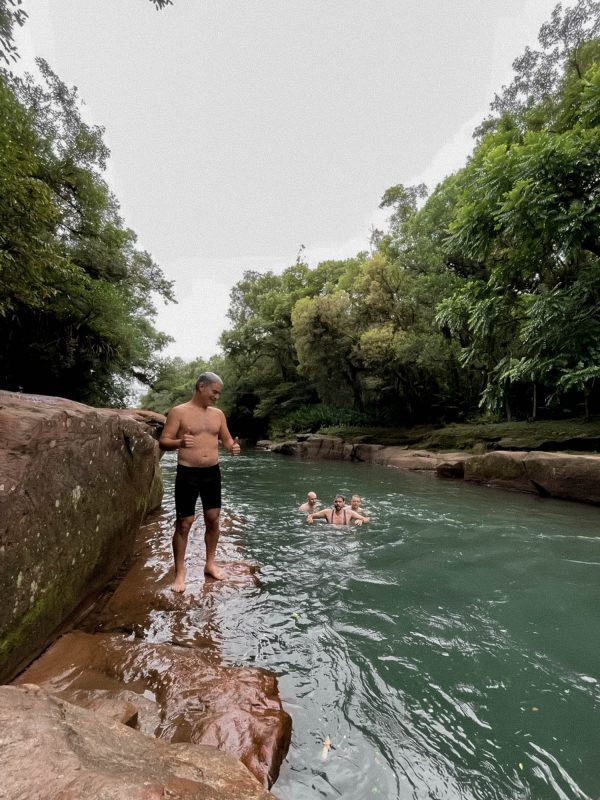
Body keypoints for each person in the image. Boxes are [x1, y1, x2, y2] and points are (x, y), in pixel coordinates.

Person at [159, 371, 240, 592]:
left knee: (213, 519)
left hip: (212, 473)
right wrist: (179, 442)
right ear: (201, 387)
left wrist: (232, 447)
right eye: (214, 392)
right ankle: (180, 573)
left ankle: (210, 564)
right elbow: (163, 442)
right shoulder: (179, 412)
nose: (217, 397)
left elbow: (226, 439)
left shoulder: (218, 414)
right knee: (184, 523)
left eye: (219, 394)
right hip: (187, 473)